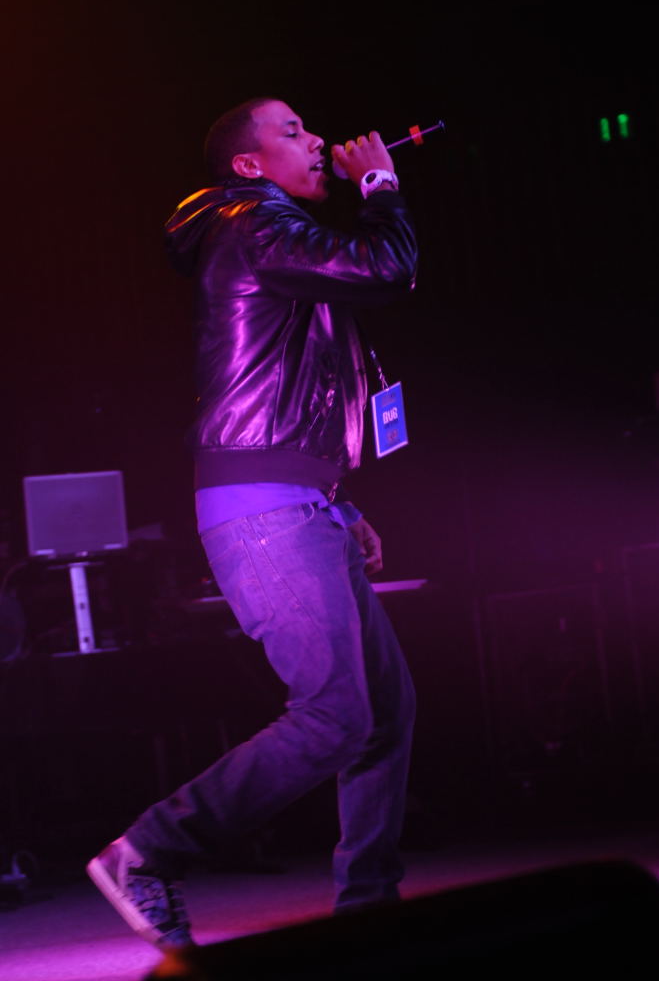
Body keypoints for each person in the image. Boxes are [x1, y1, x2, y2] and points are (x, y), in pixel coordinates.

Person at [87, 98, 418, 948]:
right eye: (293, 132)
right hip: (265, 510)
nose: (318, 141)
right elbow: (386, 266)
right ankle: (147, 851)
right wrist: (379, 185)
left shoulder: (272, 234)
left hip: (300, 498)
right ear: (247, 164)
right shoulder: (254, 224)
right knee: (335, 716)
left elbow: (299, 384)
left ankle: (369, 917)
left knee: (383, 711)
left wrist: (340, 501)